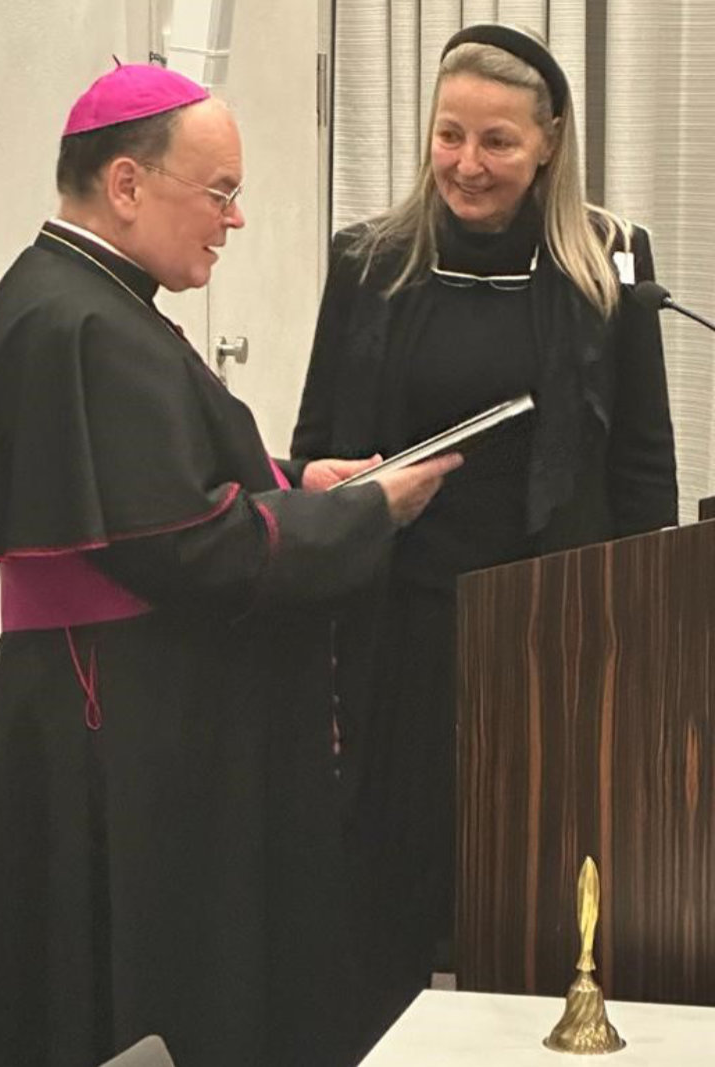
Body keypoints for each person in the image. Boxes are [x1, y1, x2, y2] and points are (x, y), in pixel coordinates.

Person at [0, 63, 462, 1067]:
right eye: (217, 192)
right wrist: (360, 513)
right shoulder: (75, 318)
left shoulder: (90, 299)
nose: (236, 218)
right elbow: (186, 548)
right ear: (126, 184)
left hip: (121, 699)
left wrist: (298, 479)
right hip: (121, 722)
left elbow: (168, 484)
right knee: (144, 981)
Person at [291, 21, 678, 1055]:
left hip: (551, 633)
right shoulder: (368, 262)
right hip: (399, 623)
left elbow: (641, 466)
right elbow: (317, 444)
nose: (467, 163)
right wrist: (339, 496)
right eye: (448, 134)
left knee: (538, 886)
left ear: (548, 143)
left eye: (497, 141)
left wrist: (639, 633)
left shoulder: (606, 264)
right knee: (389, 874)